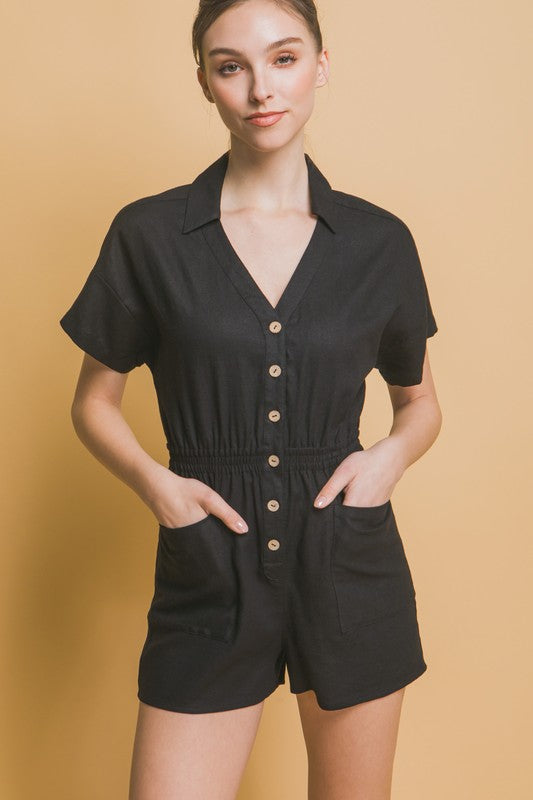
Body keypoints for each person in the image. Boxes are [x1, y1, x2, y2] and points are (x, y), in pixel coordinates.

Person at [59, 0, 442, 797]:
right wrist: (159, 488)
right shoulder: (150, 235)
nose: (260, 88)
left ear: (321, 65)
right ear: (204, 81)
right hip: (208, 558)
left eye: (284, 58)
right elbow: (93, 402)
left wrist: (385, 463)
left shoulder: (378, 243)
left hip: (346, 560)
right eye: (230, 66)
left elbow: (419, 404)